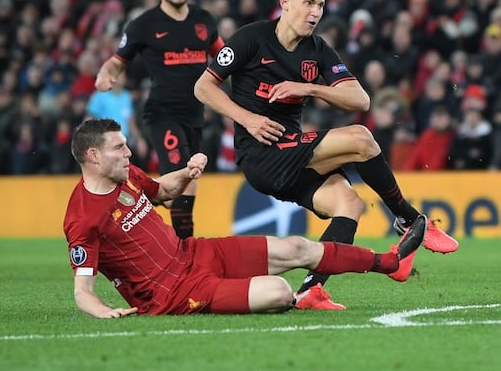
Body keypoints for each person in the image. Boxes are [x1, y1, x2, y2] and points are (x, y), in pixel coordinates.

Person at [194, 0, 458, 310]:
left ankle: (311, 290)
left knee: (349, 204)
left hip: (293, 153)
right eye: (308, 2)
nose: (316, 12)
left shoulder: (317, 50)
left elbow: (361, 100)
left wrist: (309, 87)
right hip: (260, 154)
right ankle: (408, 219)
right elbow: (202, 87)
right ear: (285, 3)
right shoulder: (250, 39)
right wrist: (248, 119)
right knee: (361, 138)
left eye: (320, 4)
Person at [63, 118, 426, 318]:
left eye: (126, 144)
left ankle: (391, 263)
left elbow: (162, 192)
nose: (129, 152)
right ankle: (270, 292)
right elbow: (83, 290)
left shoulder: (127, 176)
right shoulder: (83, 218)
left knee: (298, 247)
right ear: (93, 156)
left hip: (192, 253)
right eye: (119, 147)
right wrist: (103, 311)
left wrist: (187, 173)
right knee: (279, 292)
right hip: (174, 293)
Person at [95, 0, 223, 239]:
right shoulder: (144, 25)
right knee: (183, 172)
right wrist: (106, 74)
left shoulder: (204, 20)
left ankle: (145, 200)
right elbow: (117, 60)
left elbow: (225, 58)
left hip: (195, 115)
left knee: (185, 184)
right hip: (161, 113)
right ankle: (184, 249)